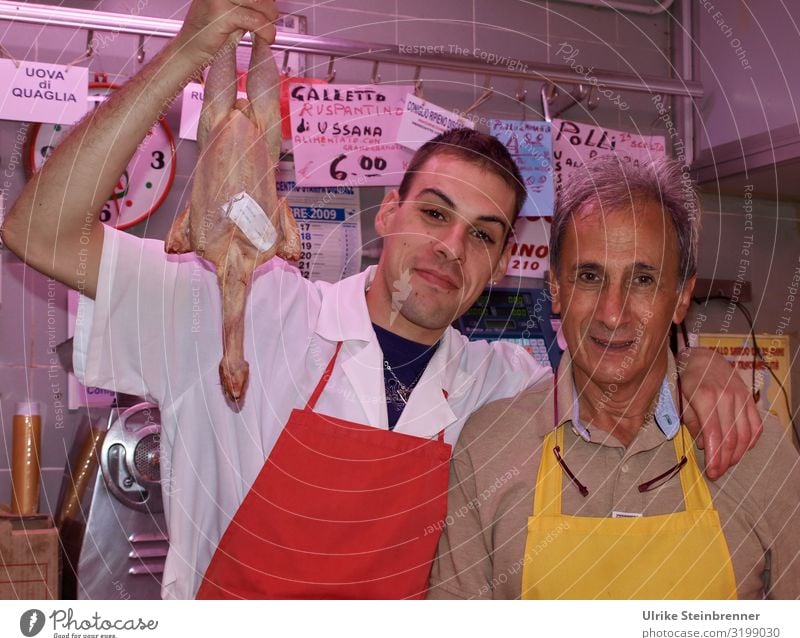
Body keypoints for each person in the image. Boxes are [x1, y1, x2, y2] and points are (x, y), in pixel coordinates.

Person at [2, 0, 760, 599]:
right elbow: (36, 228)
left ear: (499, 263)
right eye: (434, 213)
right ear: (389, 214)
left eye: (482, 235)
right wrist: (187, 53)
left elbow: (619, 379)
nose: (450, 249)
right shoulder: (239, 311)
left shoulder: (505, 383)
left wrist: (687, 369)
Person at [427, 156, 800, 599]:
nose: (612, 313)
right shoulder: (490, 443)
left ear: (681, 298)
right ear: (557, 290)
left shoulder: (758, 451)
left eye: (643, 279)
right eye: (589, 276)